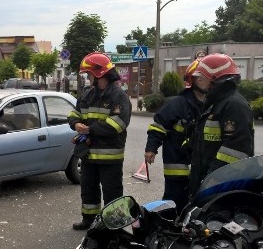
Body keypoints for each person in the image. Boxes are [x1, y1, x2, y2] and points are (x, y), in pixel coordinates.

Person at [68, 52, 131, 230]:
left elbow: (118, 124)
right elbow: (75, 113)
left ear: (98, 74)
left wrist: (89, 129)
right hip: (88, 155)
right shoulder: (88, 95)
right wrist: (76, 123)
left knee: (112, 192)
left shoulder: (118, 96)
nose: (88, 78)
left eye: (89, 75)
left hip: (110, 157)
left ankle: (117, 224)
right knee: (88, 189)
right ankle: (89, 221)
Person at [144, 59, 205, 214]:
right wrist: (151, 148)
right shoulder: (179, 103)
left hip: (200, 169)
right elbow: (158, 126)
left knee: (197, 207)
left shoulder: (213, 104)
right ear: (194, 80)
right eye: (201, 77)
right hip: (177, 167)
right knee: (173, 204)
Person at [189, 53, 254, 196]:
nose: (199, 81)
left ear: (216, 79)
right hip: (213, 183)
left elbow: (236, 150)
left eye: (202, 78)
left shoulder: (234, 105)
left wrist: (213, 178)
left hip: (224, 186)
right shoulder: (217, 103)